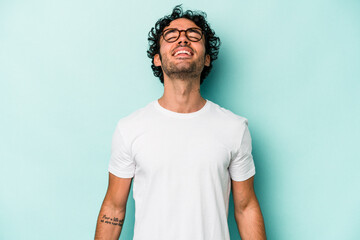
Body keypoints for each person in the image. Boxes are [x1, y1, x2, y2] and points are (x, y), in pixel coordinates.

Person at [95, 5, 266, 240]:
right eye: (171, 36)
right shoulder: (129, 129)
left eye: (193, 35)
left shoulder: (234, 128)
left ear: (207, 59)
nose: (183, 39)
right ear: (157, 58)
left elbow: (246, 208)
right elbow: (114, 208)